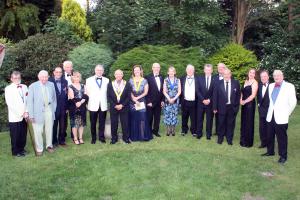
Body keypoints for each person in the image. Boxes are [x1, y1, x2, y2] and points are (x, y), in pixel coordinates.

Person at [261, 70, 297, 164]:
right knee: (269, 135)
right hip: (270, 115)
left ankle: (283, 156)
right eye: (274, 75)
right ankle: (270, 151)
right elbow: (269, 101)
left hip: (282, 117)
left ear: (282, 76)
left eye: (278, 75)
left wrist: (287, 113)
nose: (276, 77)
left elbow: (293, 102)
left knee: (281, 137)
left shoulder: (289, 86)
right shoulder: (271, 86)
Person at [27, 70, 57, 156]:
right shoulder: (33, 86)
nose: (44, 78)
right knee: (38, 131)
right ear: (38, 77)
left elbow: (54, 98)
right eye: (42, 77)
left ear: (48, 77)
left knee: (49, 129)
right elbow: (29, 102)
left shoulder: (51, 84)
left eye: (46, 76)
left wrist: (53, 109)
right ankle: (39, 148)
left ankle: (49, 146)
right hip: (37, 112)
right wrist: (31, 115)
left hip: (49, 110)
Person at [213, 68, 240, 145]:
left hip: (232, 108)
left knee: (230, 124)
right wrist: (214, 107)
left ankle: (229, 139)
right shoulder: (218, 83)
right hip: (221, 107)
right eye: (225, 74)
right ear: (223, 75)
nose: (226, 75)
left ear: (230, 74)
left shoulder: (236, 83)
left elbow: (238, 96)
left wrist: (236, 107)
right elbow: (215, 96)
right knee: (221, 123)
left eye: (228, 74)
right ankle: (220, 139)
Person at [5, 71, 28, 157]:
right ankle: (15, 151)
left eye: (18, 78)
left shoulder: (25, 87)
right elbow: (10, 104)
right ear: (11, 79)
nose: (17, 79)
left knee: (23, 134)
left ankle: (22, 149)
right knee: (15, 135)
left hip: (25, 116)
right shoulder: (8, 89)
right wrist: (21, 113)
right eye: (15, 78)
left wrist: (26, 112)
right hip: (15, 117)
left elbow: (27, 100)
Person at [86, 64, 109, 144]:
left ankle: (101, 137)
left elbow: (108, 92)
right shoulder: (88, 80)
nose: (99, 71)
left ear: (103, 71)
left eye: (101, 70)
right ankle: (93, 138)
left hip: (103, 104)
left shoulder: (107, 80)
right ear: (95, 70)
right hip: (93, 104)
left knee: (102, 122)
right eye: (98, 70)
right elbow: (87, 92)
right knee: (93, 123)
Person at [129, 65, 153, 141]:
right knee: (134, 118)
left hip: (141, 101)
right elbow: (129, 91)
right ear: (133, 71)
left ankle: (143, 136)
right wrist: (134, 99)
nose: (136, 71)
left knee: (142, 118)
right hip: (133, 101)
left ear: (140, 71)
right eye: (135, 70)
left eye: (138, 70)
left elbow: (146, 92)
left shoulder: (144, 80)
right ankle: (134, 136)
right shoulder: (130, 80)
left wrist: (137, 98)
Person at [107, 69, 131, 144]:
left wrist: (122, 105)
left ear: (122, 75)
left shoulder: (126, 84)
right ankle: (114, 138)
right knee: (114, 123)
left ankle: (126, 138)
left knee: (125, 123)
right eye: (117, 74)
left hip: (124, 106)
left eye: (120, 74)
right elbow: (108, 96)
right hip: (114, 107)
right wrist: (115, 105)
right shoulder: (110, 84)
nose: (118, 75)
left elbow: (128, 96)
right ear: (115, 75)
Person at [49, 67, 68, 147]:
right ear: (54, 72)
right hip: (53, 107)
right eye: (57, 72)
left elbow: (66, 94)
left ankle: (62, 141)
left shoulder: (65, 81)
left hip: (63, 106)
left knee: (63, 125)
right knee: (54, 124)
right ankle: (54, 141)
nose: (58, 73)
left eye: (60, 72)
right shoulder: (49, 81)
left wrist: (67, 107)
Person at [68, 72, 88, 145]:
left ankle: (80, 138)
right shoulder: (70, 86)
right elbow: (71, 97)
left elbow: (86, 95)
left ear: (80, 78)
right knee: (74, 124)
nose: (77, 78)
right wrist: (77, 103)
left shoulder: (83, 85)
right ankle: (75, 138)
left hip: (82, 106)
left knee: (81, 123)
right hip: (73, 107)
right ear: (72, 78)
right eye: (75, 77)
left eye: (78, 77)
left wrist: (81, 102)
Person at [240, 69, 258, 148]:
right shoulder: (246, 81)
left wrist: (244, 101)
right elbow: (242, 92)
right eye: (250, 72)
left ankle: (248, 142)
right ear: (248, 73)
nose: (251, 74)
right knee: (244, 122)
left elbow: (253, 95)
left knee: (249, 122)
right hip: (244, 104)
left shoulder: (255, 83)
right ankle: (243, 140)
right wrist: (240, 99)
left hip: (250, 104)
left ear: (255, 75)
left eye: (253, 73)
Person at [196, 64, 216, 140]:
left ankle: (208, 134)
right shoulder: (199, 78)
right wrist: (203, 100)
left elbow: (215, 92)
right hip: (201, 102)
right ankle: (199, 134)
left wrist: (209, 100)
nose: (208, 71)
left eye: (209, 70)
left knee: (209, 120)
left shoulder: (215, 79)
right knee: (199, 119)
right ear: (204, 70)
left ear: (211, 71)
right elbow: (197, 91)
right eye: (206, 70)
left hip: (210, 103)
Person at [180, 64, 200, 137]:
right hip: (184, 101)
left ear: (194, 71)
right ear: (186, 70)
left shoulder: (198, 78)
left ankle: (193, 130)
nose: (190, 71)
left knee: (194, 117)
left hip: (194, 101)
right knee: (184, 116)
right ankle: (184, 129)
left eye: (191, 70)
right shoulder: (182, 78)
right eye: (188, 69)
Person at [145, 63, 164, 137]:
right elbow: (146, 91)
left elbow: (162, 90)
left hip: (159, 102)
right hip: (150, 102)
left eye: (158, 67)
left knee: (157, 118)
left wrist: (162, 100)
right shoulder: (147, 77)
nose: (156, 69)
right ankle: (149, 131)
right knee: (149, 117)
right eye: (155, 67)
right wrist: (148, 101)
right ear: (152, 68)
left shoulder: (162, 77)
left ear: (159, 68)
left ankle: (155, 131)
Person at [163, 66, 181, 136]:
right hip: (167, 100)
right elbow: (164, 91)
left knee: (174, 114)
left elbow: (179, 91)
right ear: (168, 72)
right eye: (170, 71)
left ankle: (173, 130)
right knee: (167, 114)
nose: (171, 73)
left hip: (175, 100)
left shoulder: (178, 80)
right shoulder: (165, 80)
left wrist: (174, 99)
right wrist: (169, 99)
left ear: (175, 72)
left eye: (172, 71)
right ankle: (168, 130)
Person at [212, 63, 226, 136]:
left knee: (224, 117)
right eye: (219, 67)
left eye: (222, 67)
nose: (220, 69)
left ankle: (224, 131)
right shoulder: (214, 77)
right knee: (217, 116)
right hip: (216, 100)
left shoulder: (228, 77)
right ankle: (217, 131)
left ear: (224, 68)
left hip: (225, 101)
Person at [257, 70, 270, 148]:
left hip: (270, 110)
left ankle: (269, 143)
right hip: (261, 110)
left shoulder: (272, 85)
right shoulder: (259, 85)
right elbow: (258, 96)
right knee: (262, 127)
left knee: (269, 127)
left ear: (268, 77)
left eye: (265, 76)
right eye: (262, 77)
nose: (263, 78)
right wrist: (258, 104)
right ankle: (263, 142)